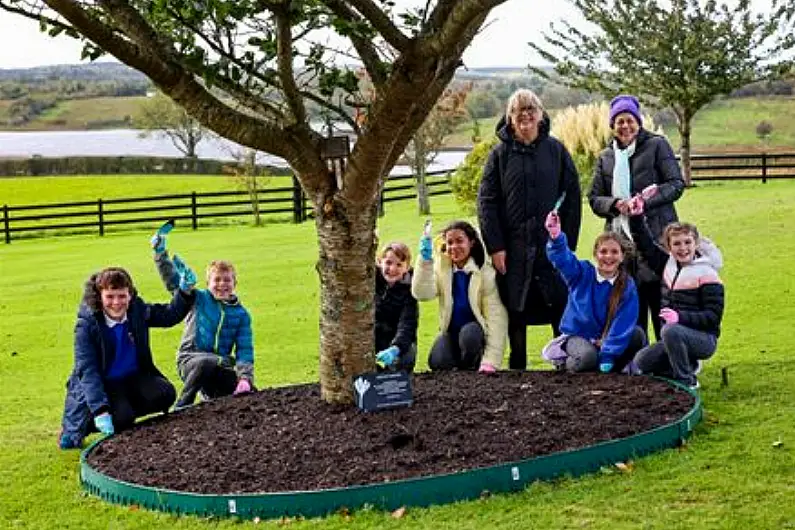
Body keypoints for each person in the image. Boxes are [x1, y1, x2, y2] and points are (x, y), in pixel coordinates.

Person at [478, 88, 582, 370]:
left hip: (549, 247)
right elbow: (486, 201)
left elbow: (572, 196)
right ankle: (518, 365)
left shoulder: (556, 151)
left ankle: (562, 362)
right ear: (510, 119)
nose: (525, 116)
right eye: (518, 112)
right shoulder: (499, 155)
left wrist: (566, 244)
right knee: (516, 308)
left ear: (540, 115)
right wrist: (496, 246)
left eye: (530, 111)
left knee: (558, 304)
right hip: (513, 248)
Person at [59, 267, 194, 449]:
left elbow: (168, 316)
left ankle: (123, 410)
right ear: (100, 297)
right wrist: (100, 411)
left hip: (132, 378)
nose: (116, 303)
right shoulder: (87, 325)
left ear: (130, 295)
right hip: (105, 384)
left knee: (165, 394)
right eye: (110, 296)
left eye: (122, 296)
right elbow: (87, 371)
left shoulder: (137, 310)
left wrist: (184, 291)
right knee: (122, 418)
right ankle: (83, 424)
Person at [589, 95, 685, 341]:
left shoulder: (657, 145)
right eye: (619, 121)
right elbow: (594, 197)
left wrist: (644, 203)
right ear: (613, 125)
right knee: (631, 303)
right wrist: (614, 204)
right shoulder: (606, 157)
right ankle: (638, 362)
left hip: (655, 235)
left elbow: (675, 184)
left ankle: (666, 358)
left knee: (659, 299)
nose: (625, 126)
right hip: (622, 241)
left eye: (630, 120)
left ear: (638, 122)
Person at [151, 231, 255, 409]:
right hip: (190, 360)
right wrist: (160, 254)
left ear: (234, 284)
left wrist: (245, 378)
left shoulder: (241, 314)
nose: (222, 284)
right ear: (208, 283)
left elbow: (245, 349)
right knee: (206, 362)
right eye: (217, 280)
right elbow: (174, 283)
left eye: (227, 280)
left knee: (248, 394)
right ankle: (183, 404)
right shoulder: (198, 299)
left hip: (219, 365)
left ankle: (211, 397)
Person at [541, 212, 646, 373]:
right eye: (603, 252)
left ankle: (609, 367)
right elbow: (563, 260)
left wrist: (607, 353)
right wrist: (556, 237)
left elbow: (624, 321)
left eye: (614, 252)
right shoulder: (582, 273)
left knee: (637, 335)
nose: (608, 257)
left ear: (622, 256)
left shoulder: (627, 285)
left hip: (607, 340)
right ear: (596, 254)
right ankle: (564, 364)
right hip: (579, 336)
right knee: (587, 358)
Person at [630, 219, 724, 390]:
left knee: (669, 329)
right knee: (642, 361)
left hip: (704, 339)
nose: (683, 248)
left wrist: (680, 317)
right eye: (677, 244)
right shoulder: (667, 265)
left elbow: (713, 317)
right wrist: (636, 217)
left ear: (696, 243)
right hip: (674, 337)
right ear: (668, 247)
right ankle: (687, 364)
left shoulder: (708, 273)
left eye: (688, 242)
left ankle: (687, 380)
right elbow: (645, 245)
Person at [411, 220, 508, 372]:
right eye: (449, 242)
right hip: (451, 332)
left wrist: (490, 361)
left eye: (459, 241)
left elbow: (497, 318)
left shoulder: (486, 273)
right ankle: (459, 369)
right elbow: (422, 294)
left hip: (475, 334)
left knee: (470, 335)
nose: (454, 247)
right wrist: (425, 261)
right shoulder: (442, 267)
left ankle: (472, 366)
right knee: (438, 362)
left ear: (472, 243)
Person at [374, 241, 419, 372]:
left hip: (399, 343)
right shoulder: (371, 281)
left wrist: (395, 348)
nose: (392, 269)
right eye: (388, 263)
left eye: (399, 265)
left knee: (404, 359)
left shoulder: (411, 291)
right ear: (380, 262)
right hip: (373, 340)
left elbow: (407, 325)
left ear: (407, 268)